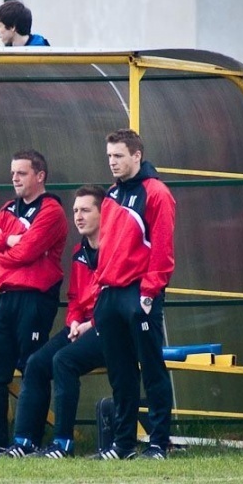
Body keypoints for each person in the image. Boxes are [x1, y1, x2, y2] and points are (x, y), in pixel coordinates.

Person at [0, 150, 67, 457]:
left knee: (32, 368)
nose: (14, 178)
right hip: (1, 299)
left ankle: (26, 441)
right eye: (13, 172)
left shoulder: (51, 211)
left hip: (34, 299)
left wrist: (1, 246)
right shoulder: (7, 209)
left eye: (22, 173)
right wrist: (6, 240)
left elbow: (26, 252)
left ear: (40, 176)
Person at [4, 185, 107, 458]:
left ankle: (63, 443)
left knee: (64, 361)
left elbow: (115, 300)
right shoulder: (78, 251)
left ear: (104, 212)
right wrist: (74, 321)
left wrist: (90, 324)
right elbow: (74, 297)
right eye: (75, 210)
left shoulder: (115, 248)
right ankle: (24, 442)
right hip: (80, 327)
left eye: (85, 210)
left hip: (108, 329)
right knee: (36, 363)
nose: (78, 216)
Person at [94, 128, 175, 460]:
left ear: (137, 156)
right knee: (120, 372)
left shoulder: (156, 193)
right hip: (110, 293)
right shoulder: (112, 193)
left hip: (138, 293)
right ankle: (123, 443)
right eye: (109, 156)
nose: (112, 162)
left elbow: (163, 248)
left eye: (119, 156)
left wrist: (150, 291)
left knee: (152, 367)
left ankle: (158, 442)